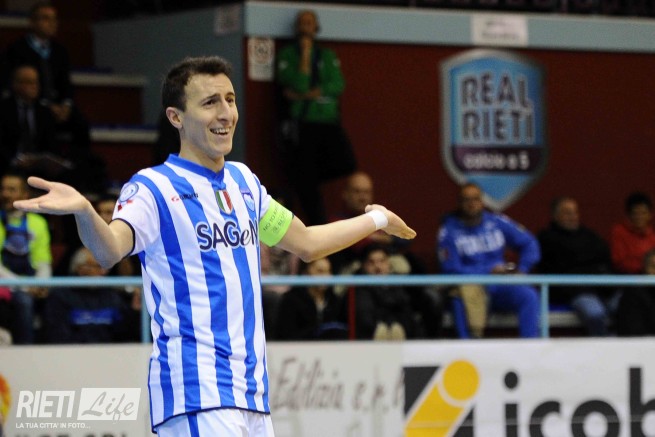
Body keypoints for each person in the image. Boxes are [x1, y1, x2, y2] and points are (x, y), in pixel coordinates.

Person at [13, 56, 415, 436]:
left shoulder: (244, 183)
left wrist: (377, 220)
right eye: (209, 103)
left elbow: (307, 243)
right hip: (196, 391)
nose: (226, 113)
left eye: (230, 99)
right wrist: (85, 211)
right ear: (176, 117)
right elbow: (108, 251)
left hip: (252, 394)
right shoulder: (153, 187)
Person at [2, 1, 106, 195]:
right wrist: (44, 103)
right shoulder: (17, 49)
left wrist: (65, 104)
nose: (51, 23)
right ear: (32, 22)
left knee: (80, 124)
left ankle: (74, 167)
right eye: (45, 19)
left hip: (55, 105)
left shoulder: (60, 50)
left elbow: (66, 83)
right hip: (39, 107)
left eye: (53, 19)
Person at [276, 9, 357, 225]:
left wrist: (308, 94)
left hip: (328, 121)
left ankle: (310, 177)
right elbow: (299, 84)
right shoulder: (287, 55)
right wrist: (304, 57)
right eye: (302, 22)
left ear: (316, 27)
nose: (306, 26)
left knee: (346, 162)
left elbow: (338, 85)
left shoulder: (327, 55)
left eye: (310, 22)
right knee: (306, 180)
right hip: (304, 123)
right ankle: (317, 224)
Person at [437, 182, 540, 339]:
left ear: (482, 201)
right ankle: (468, 350)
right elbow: (450, 269)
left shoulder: (496, 222)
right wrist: (487, 272)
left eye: (476, 199)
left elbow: (530, 244)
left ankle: (531, 347)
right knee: (458, 299)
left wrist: (522, 269)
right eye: (466, 200)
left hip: (500, 285)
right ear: (459, 203)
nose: (472, 204)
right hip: (472, 286)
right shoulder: (448, 231)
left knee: (528, 295)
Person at [537, 196, 616, 336]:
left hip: (602, 289)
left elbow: (605, 259)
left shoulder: (590, 236)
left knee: (628, 306)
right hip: (573, 292)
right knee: (595, 314)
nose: (573, 217)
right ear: (555, 216)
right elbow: (558, 269)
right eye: (567, 213)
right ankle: (605, 345)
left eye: (575, 212)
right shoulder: (546, 238)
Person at [329, 171, 417, 275]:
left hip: (385, 265)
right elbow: (355, 244)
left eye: (366, 192)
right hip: (353, 268)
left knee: (407, 265)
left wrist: (380, 238)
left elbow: (405, 239)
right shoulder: (337, 220)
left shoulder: (378, 215)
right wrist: (378, 237)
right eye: (357, 192)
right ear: (345, 194)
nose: (362, 197)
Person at [0, 171, 52, 344]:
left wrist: (41, 284)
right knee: (24, 302)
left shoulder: (38, 223)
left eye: (11, 190)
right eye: (3, 189)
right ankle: (25, 350)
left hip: (30, 282)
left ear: (25, 194)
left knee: (57, 299)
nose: (5, 194)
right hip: (5, 284)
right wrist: (25, 287)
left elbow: (43, 261)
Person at [44, 247, 130, 343]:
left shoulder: (112, 296)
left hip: (111, 351)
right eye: (98, 266)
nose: (103, 272)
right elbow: (58, 335)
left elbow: (124, 333)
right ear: (81, 269)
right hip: (72, 350)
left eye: (106, 267)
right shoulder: (60, 297)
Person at [0, 65, 59, 177]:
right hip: (8, 165)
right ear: (15, 84)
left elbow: (51, 145)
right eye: (29, 82)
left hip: (38, 168)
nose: (34, 87)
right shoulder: (4, 109)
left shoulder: (44, 112)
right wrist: (15, 160)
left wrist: (38, 160)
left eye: (36, 82)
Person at [275, 257, 346, 341]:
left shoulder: (334, 301)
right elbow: (286, 335)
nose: (326, 277)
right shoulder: (291, 300)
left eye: (328, 271)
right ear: (306, 273)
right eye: (320, 271)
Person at [610, 191, 655, 274]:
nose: (640, 217)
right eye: (636, 213)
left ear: (650, 215)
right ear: (629, 215)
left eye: (643, 213)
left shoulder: (653, 234)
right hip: (628, 278)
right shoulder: (619, 232)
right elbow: (618, 261)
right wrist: (645, 268)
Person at [616, 248, 655, 336]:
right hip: (641, 341)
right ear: (645, 268)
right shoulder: (633, 293)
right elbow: (632, 329)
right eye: (654, 267)